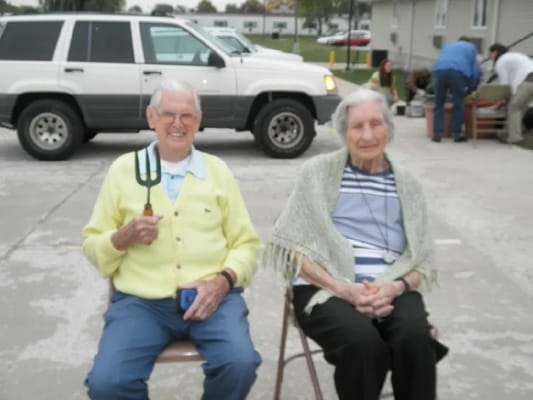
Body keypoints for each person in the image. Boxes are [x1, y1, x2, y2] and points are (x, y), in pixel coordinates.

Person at [263, 89, 448, 400]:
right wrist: (343, 288)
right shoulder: (318, 173)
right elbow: (292, 249)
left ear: (388, 129)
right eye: (357, 126)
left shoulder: (408, 186)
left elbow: (423, 263)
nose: (367, 135)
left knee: (415, 339)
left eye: (375, 124)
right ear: (343, 132)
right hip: (324, 288)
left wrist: (394, 287)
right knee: (363, 344)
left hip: (390, 288)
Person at [82, 80, 261, 400]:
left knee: (240, 363)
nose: (178, 124)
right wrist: (122, 238)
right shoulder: (124, 170)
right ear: (152, 117)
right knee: (108, 383)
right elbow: (92, 246)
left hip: (212, 299)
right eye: (169, 115)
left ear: (199, 120)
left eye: (187, 116)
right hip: (142, 303)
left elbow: (246, 244)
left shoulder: (217, 172)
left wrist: (221, 283)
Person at [432, 37, 481, 142]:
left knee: (439, 103)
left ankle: (437, 134)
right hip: (457, 72)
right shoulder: (471, 47)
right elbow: (474, 70)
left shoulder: (448, 45)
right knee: (458, 103)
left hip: (439, 70)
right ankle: (456, 133)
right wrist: (472, 86)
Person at [488, 43, 533, 144]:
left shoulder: (501, 61)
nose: (489, 56)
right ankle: (512, 133)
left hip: (529, 79)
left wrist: (499, 103)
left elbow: (504, 86)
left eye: (490, 53)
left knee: (514, 108)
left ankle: (515, 137)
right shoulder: (515, 56)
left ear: (495, 52)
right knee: (520, 108)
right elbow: (511, 86)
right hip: (529, 80)